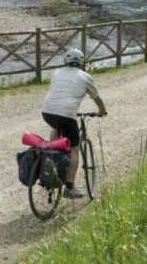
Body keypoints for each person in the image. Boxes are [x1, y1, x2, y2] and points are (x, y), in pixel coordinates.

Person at [41, 48, 107, 198]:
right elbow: (97, 98)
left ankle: (53, 155)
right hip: (66, 114)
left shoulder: (56, 73)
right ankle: (69, 187)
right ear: (81, 62)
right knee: (74, 148)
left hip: (47, 111)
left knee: (57, 127)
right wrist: (101, 110)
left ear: (66, 61)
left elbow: (61, 93)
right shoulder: (85, 77)